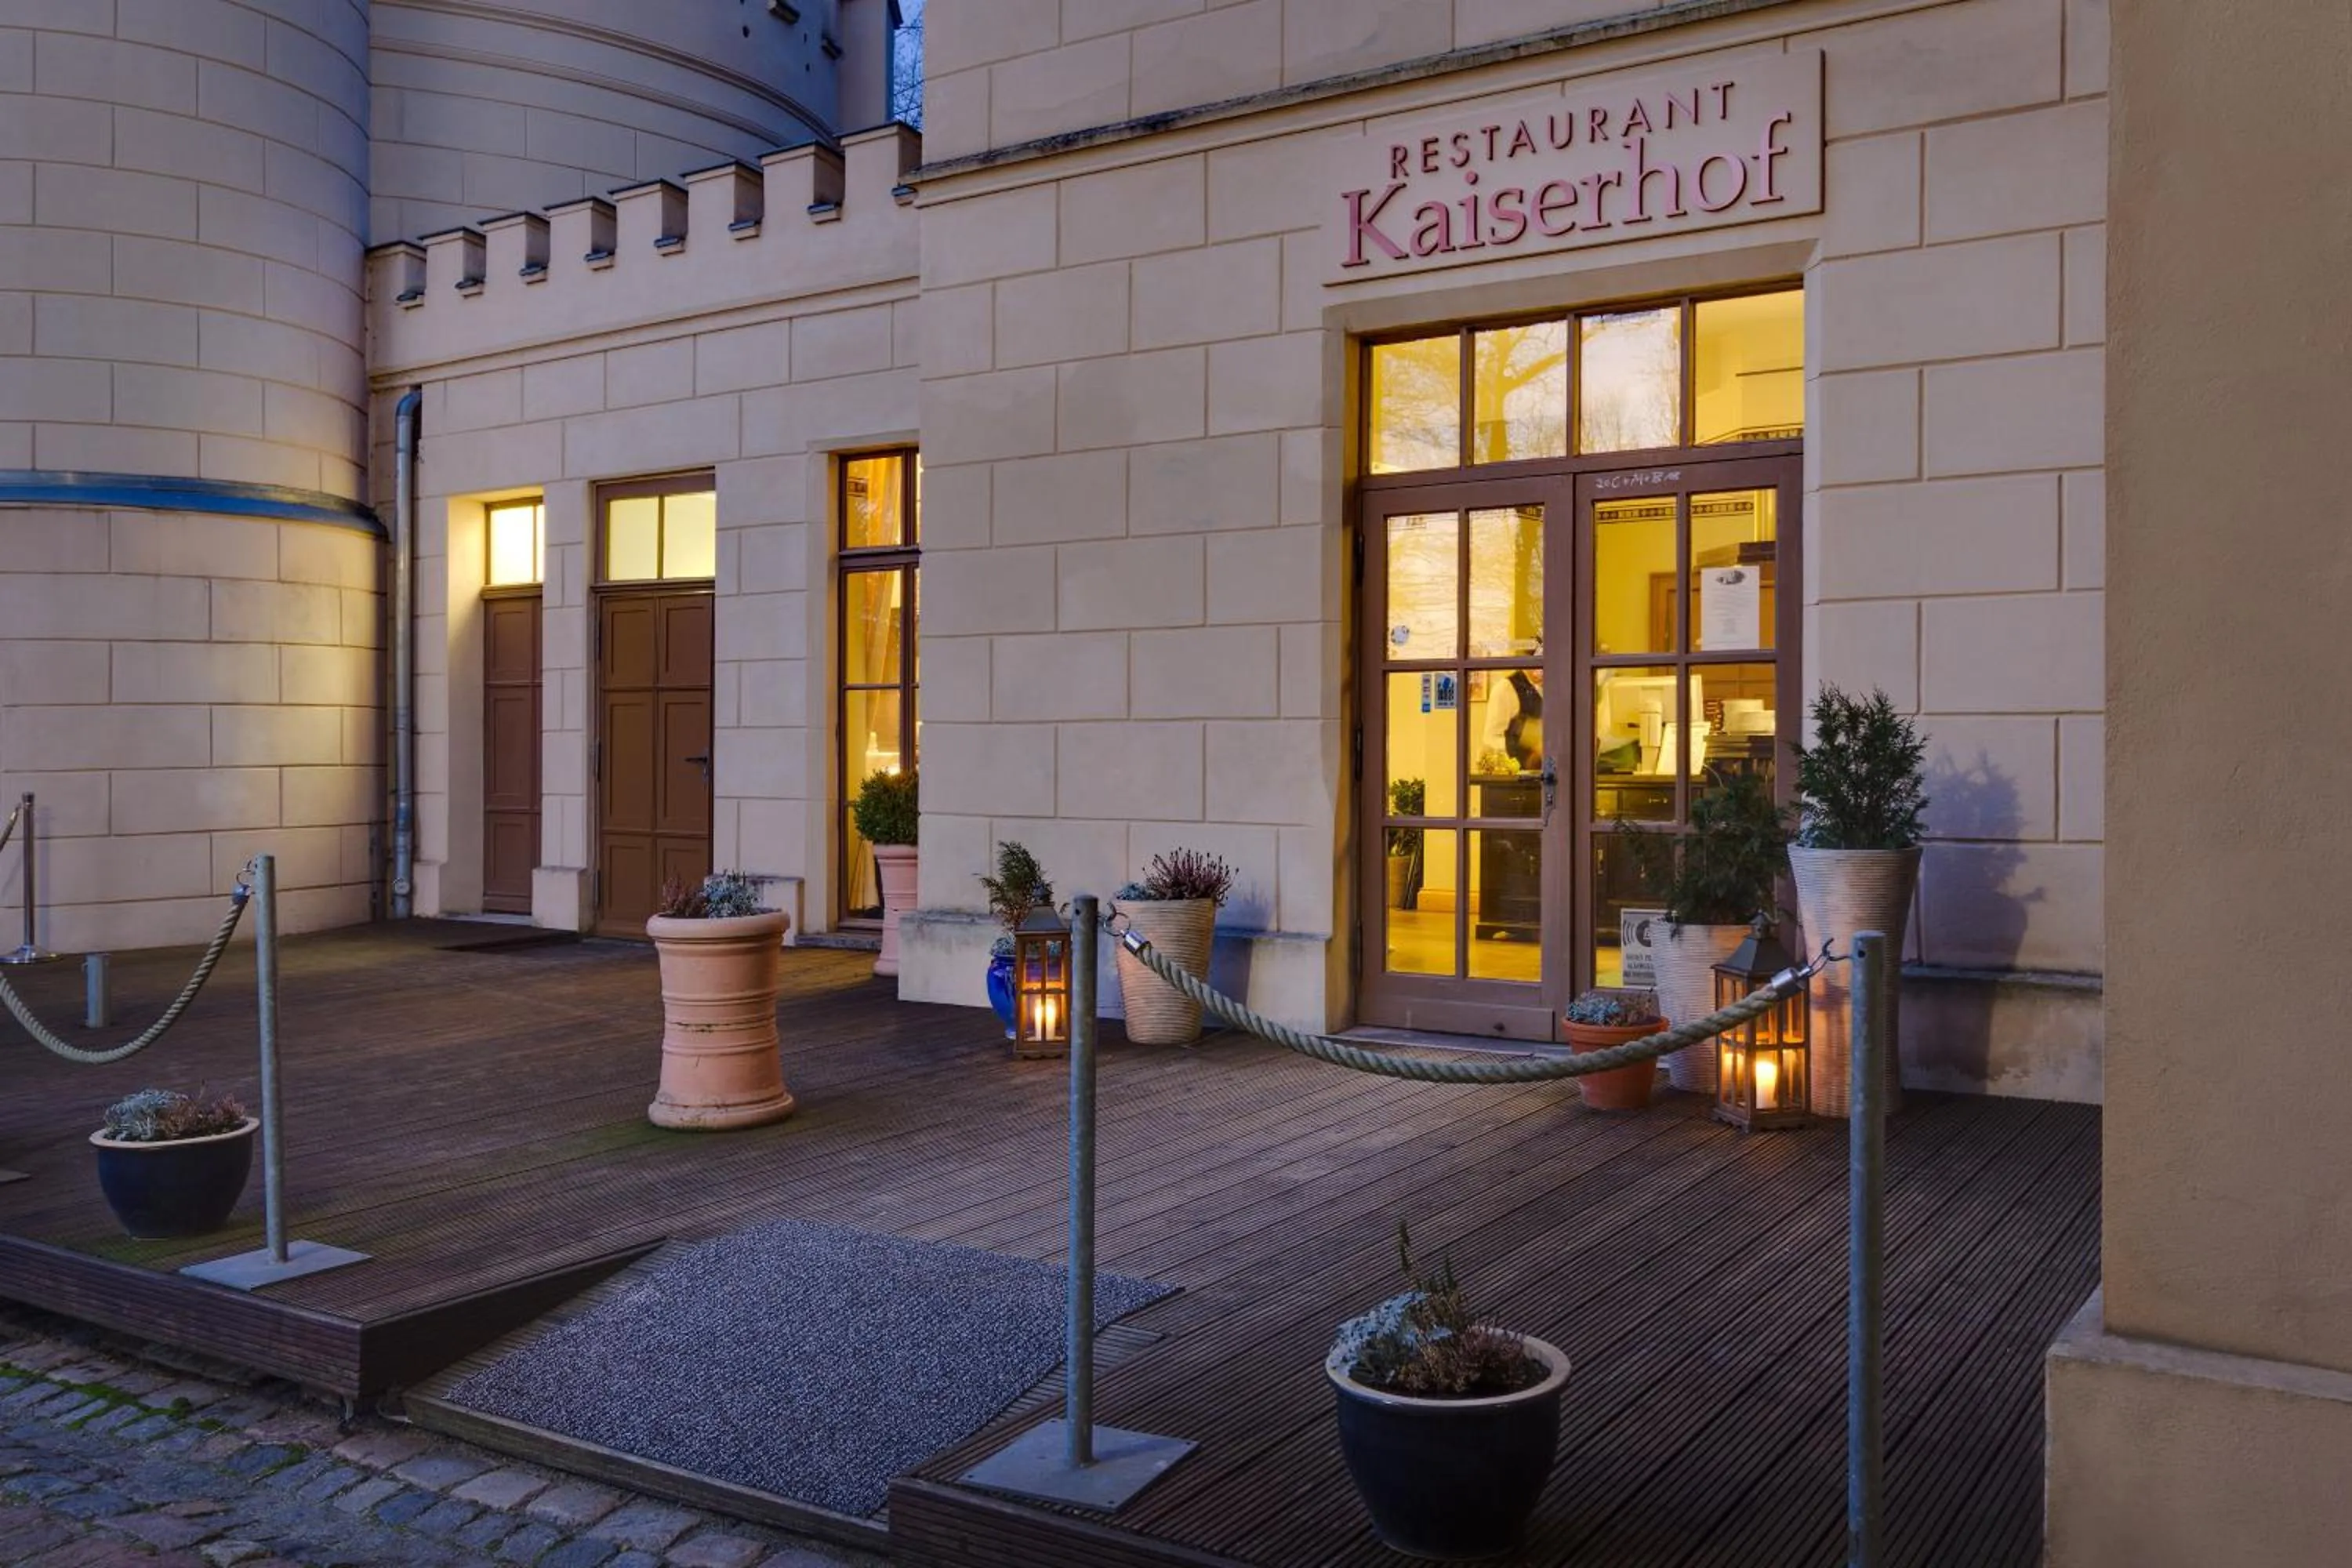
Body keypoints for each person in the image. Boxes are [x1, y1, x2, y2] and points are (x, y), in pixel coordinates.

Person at [1480, 662, 1544, 772]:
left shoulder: (1555, 687)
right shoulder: (1505, 689)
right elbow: (1490, 739)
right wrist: (1527, 745)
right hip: (1518, 777)